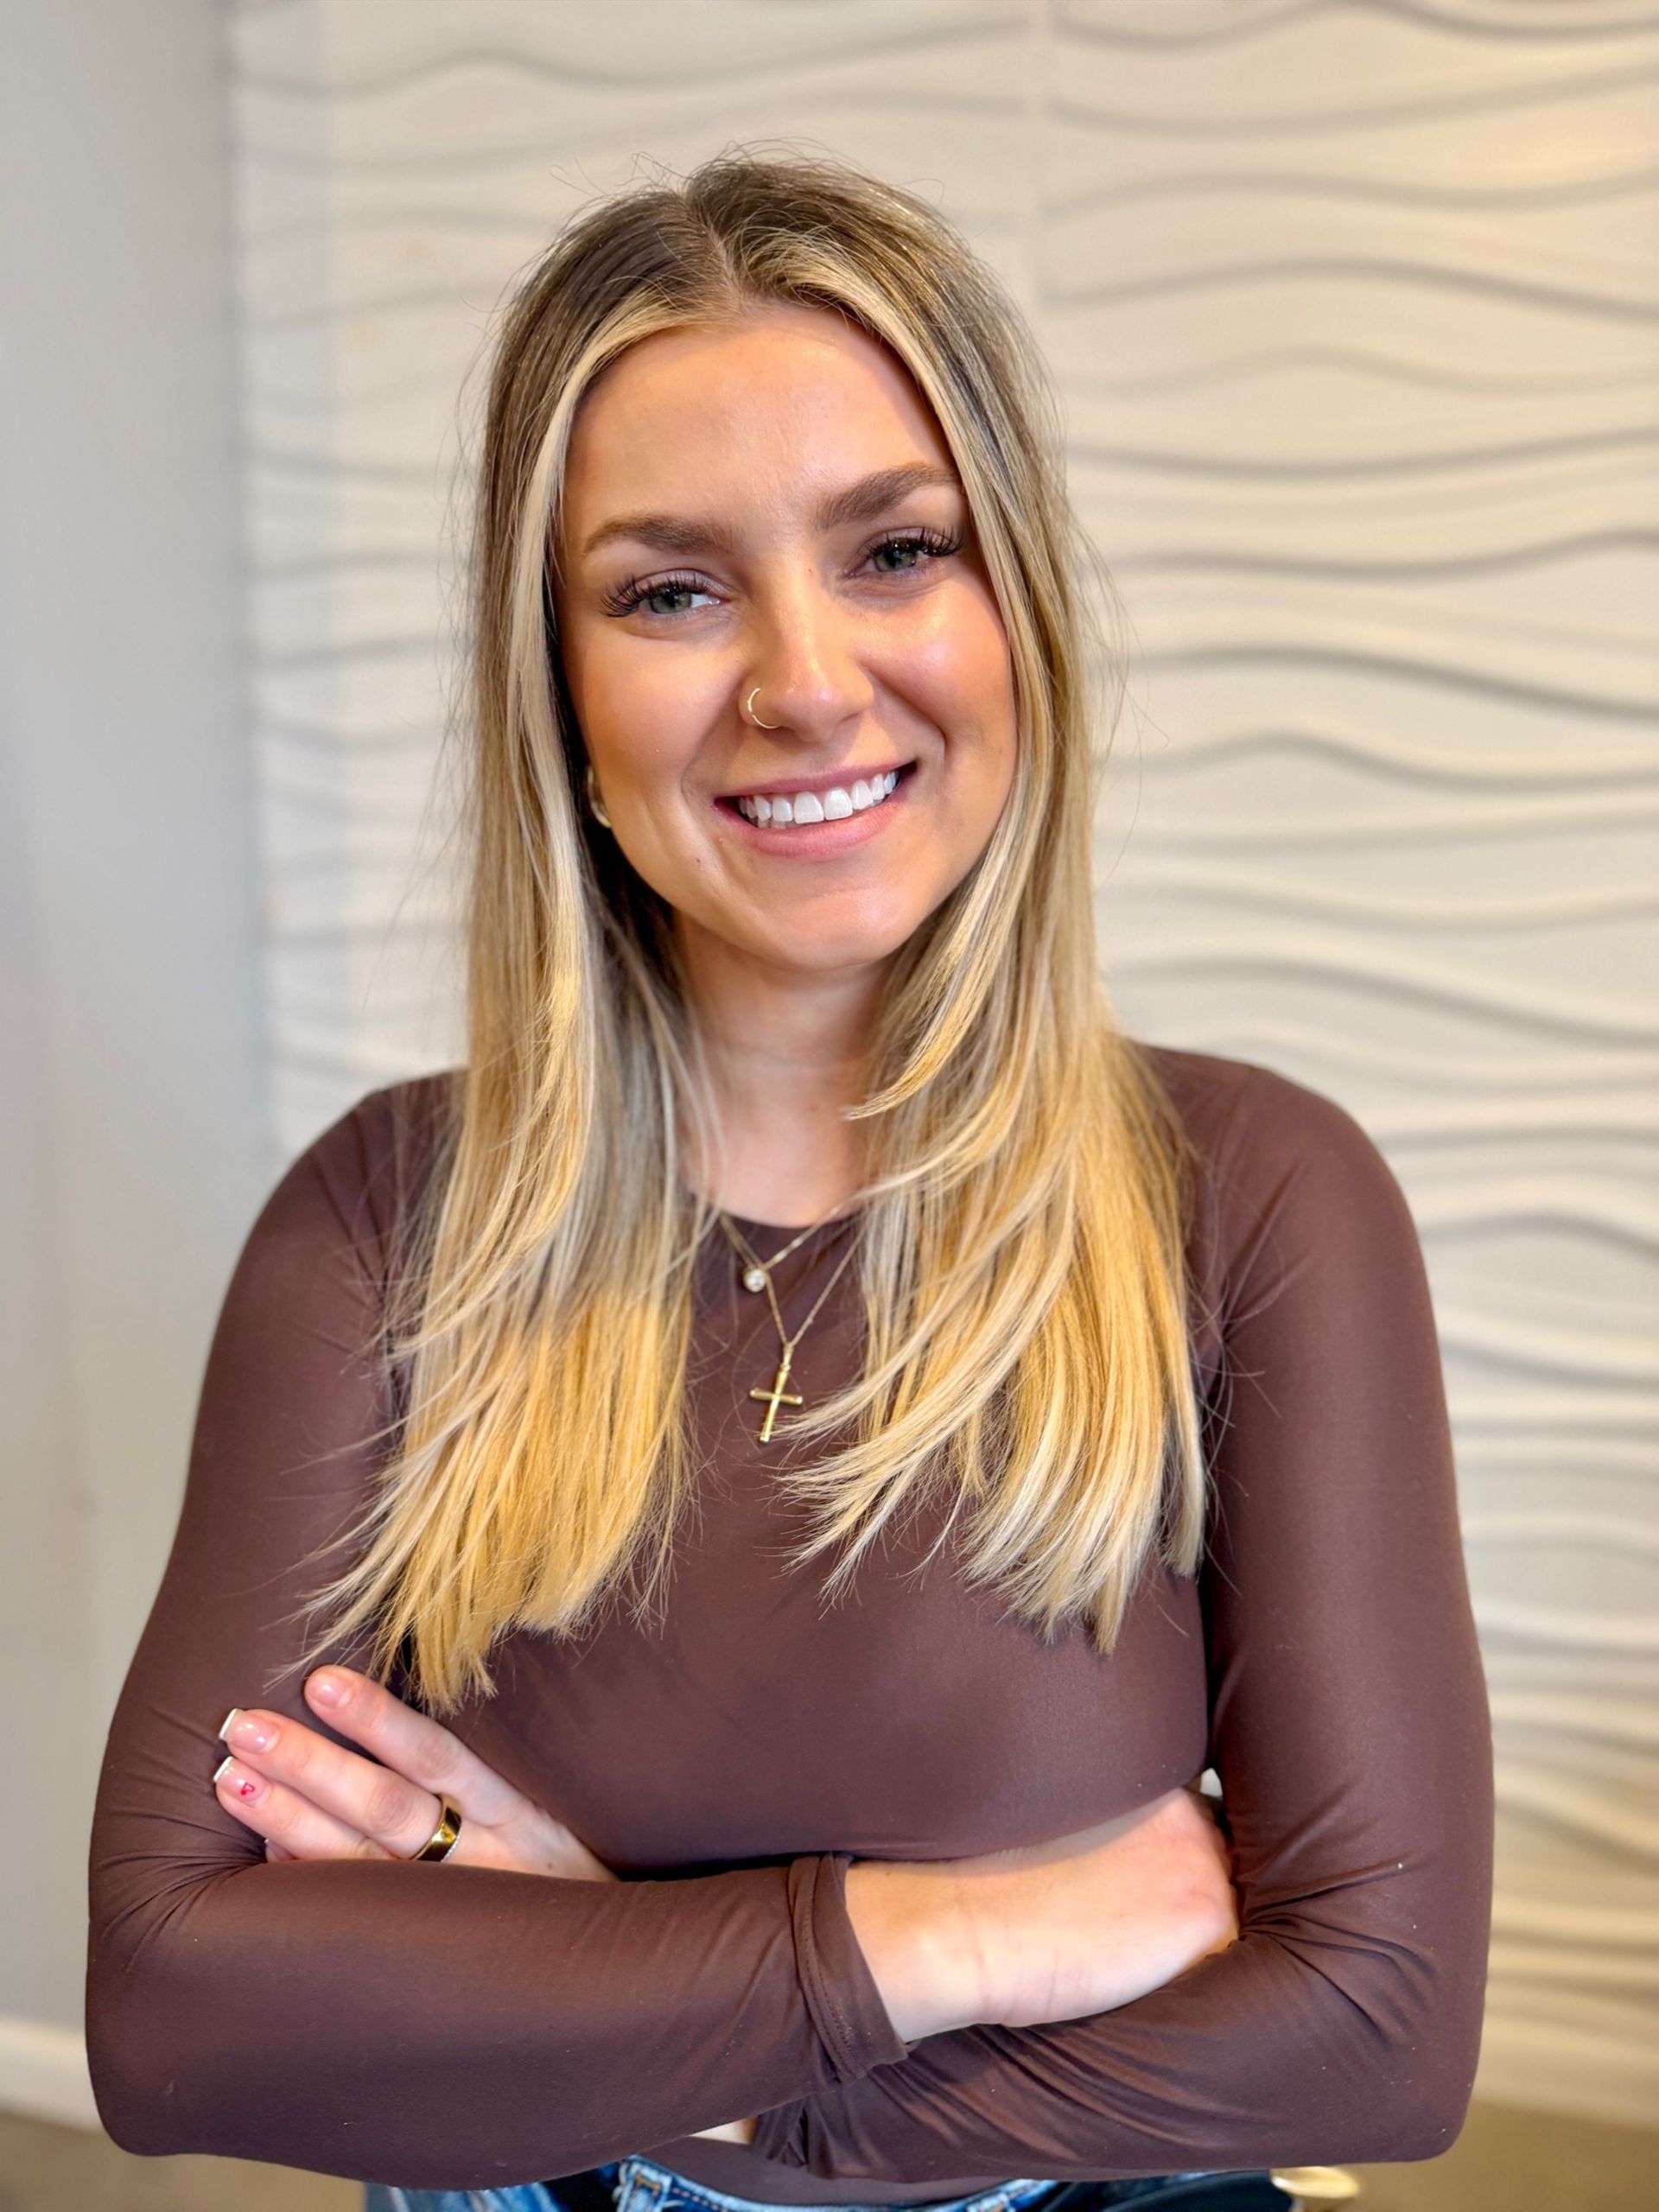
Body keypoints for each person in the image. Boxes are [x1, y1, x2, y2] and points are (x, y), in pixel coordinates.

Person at [85, 150, 1494, 2212]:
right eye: (671, 590)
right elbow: (171, 2016)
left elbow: (1379, 2032)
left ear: (1017, 610)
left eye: (896, 550)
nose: (809, 682)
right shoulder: (382, 1220)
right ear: (560, 694)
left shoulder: (1256, 1195)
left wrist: (644, 2020)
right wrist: (963, 1937)